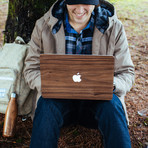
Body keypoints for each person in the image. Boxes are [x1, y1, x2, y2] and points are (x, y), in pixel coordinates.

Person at [24, 0, 135, 147]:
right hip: (58, 101)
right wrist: (50, 85)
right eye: (74, 2)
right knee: (46, 104)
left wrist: (111, 85)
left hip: (97, 102)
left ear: (95, 3)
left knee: (113, 105)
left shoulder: (114, 27)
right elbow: (31, 69)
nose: (80, 9)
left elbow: (127, 72)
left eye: (86, 3)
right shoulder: (43, 25)